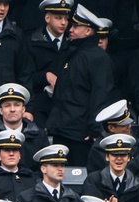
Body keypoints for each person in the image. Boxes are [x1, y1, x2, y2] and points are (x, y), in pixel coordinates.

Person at [46, 5, 113, 166]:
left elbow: (100, 94)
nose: (71, 29)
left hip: (80, 133)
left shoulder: (99, 58)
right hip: (62, 128)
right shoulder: (73, 53)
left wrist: (94, 128)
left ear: (88, 31)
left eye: (76, 26)